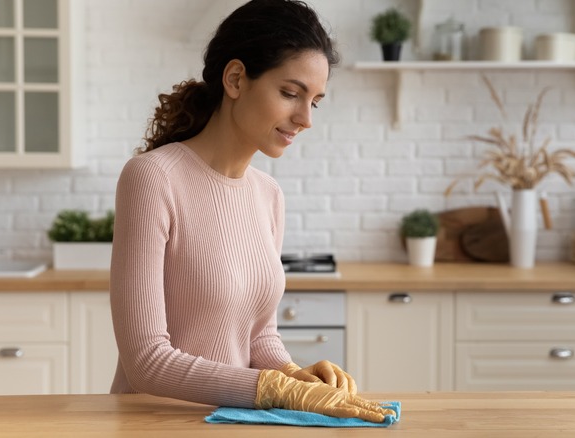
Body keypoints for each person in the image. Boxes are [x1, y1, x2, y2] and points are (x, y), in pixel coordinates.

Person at [110, 0, 394, 423]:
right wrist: (276, 389)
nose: (304, 119)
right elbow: (146, 360)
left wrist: (294, 373)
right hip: (154, 424)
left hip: (235, 422)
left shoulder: (268, 194)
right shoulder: (152, 178)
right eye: (290, 93)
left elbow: (258, 336)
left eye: (314, 101)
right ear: (236, 79)